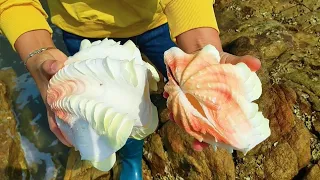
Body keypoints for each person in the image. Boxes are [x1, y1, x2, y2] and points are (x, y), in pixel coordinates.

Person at [0, 0, 261, 179]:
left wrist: (202, 47)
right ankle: (131, 157)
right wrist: (38, 54)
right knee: (118, 112)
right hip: (82, 29)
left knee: (185, 81)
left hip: (157, 20)